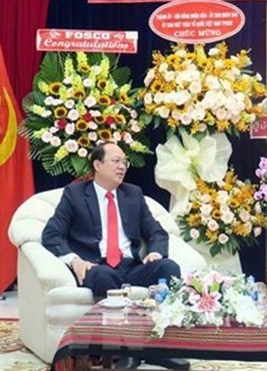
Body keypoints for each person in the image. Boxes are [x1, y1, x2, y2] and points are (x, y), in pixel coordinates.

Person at [42, 141, 188, 370]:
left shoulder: (133, 194)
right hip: (97, 266)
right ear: (97, 164)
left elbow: (156, 232)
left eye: (124, 162)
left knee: (169, 268)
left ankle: (160, 348)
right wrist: (74, 260)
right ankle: (125, 352)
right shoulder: (76, 194)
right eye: (116, 161)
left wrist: (155, 253)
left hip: (130, 266)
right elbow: (51, 234)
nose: (122, 167)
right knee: (104, 277)